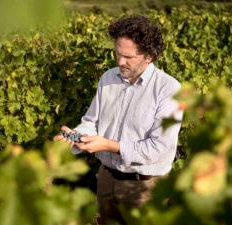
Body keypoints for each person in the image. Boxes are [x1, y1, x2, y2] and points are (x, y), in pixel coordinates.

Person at [54, 15, 183, 224]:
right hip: (106, 180)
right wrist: (74, 137)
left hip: (144, 189)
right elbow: (92, 122)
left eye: (128, 57)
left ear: (149, 56)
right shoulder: (108, 78)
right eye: (117, 53)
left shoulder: (168, 89)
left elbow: (159, 147)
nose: (120, 62)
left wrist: (109, 145)